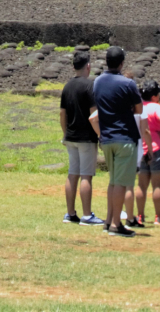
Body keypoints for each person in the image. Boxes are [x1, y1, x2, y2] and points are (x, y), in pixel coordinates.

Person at [89, 45, 142, 236]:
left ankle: (109, 220)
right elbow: (139, 109)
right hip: (124, 137)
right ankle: (116, 225)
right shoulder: (128, 84)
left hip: (107, 137)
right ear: (121, 63)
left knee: (113, 182)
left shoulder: (98, 82)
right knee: (121, 182)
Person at [58, 49, 102, 226]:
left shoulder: (67, 86)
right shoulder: (89, 85)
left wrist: (65, 132)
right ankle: (86, 215)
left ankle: (70, 213)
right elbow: (94, 113)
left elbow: (62, 113)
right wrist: (99, 134)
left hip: (71, 136)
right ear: (88, 67)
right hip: (86, 137)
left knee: (72, 174)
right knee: (86, 175)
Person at [136, 81, 160, 227]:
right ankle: (158, 216)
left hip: (142, 148)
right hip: (157, 148)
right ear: (154, 96)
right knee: (157, 185)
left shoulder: (139, 107)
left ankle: (140, 215)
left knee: (142, 185)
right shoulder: (156, 107)